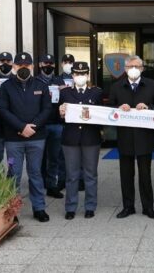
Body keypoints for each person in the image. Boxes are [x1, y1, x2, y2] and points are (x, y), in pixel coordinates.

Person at [0, 52, 53, 222]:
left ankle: (39, 208)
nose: (23, 68)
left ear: (32, 67)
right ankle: (12, 210)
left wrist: (32, 127)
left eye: (27, 65)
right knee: (13, 173)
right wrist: (21, 127)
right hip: (14, 139)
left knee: (35, 173)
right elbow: (2, 110)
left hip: (36, 138)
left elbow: (47, 109)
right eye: (20, 65)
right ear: (14, 67)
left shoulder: (41, 85)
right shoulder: (6, 86)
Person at [108, 55, 154, 219]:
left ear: (142, 69)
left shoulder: (152, 85)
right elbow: (109, 109)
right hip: (125, 137)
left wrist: (148, 107)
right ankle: (128, 206)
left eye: (137, 66)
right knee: (126, 174)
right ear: (125, 69)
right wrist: (118, 108)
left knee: (145, 175)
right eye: (130, 66)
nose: (133, 69)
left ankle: (148, 207)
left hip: (145, 137)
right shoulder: (117, 86)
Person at [58, 62, 102, 219]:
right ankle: (70, 207)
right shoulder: (65, 93)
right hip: (70, 139)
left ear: (88, 75)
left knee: (90, 174)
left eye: (83, 73)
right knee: (72, 175)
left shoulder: (96, 92)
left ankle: (90, 206)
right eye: (77, 73)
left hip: (91, 138)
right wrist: (61, 112)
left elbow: (102, 116)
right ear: (73, 75)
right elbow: (58, 115)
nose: (80, 76)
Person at [37, 53, 67, 198]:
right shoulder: (35, 81)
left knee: (54, 157)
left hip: (56, 124)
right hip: (40, 125)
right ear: (40, 65)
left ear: (54, 65)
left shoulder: (59, 80)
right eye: (45, 63)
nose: (48, 66)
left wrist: (64, 91)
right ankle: (40, 182)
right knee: (39, 157)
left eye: (50, 64)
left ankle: (51, 185)